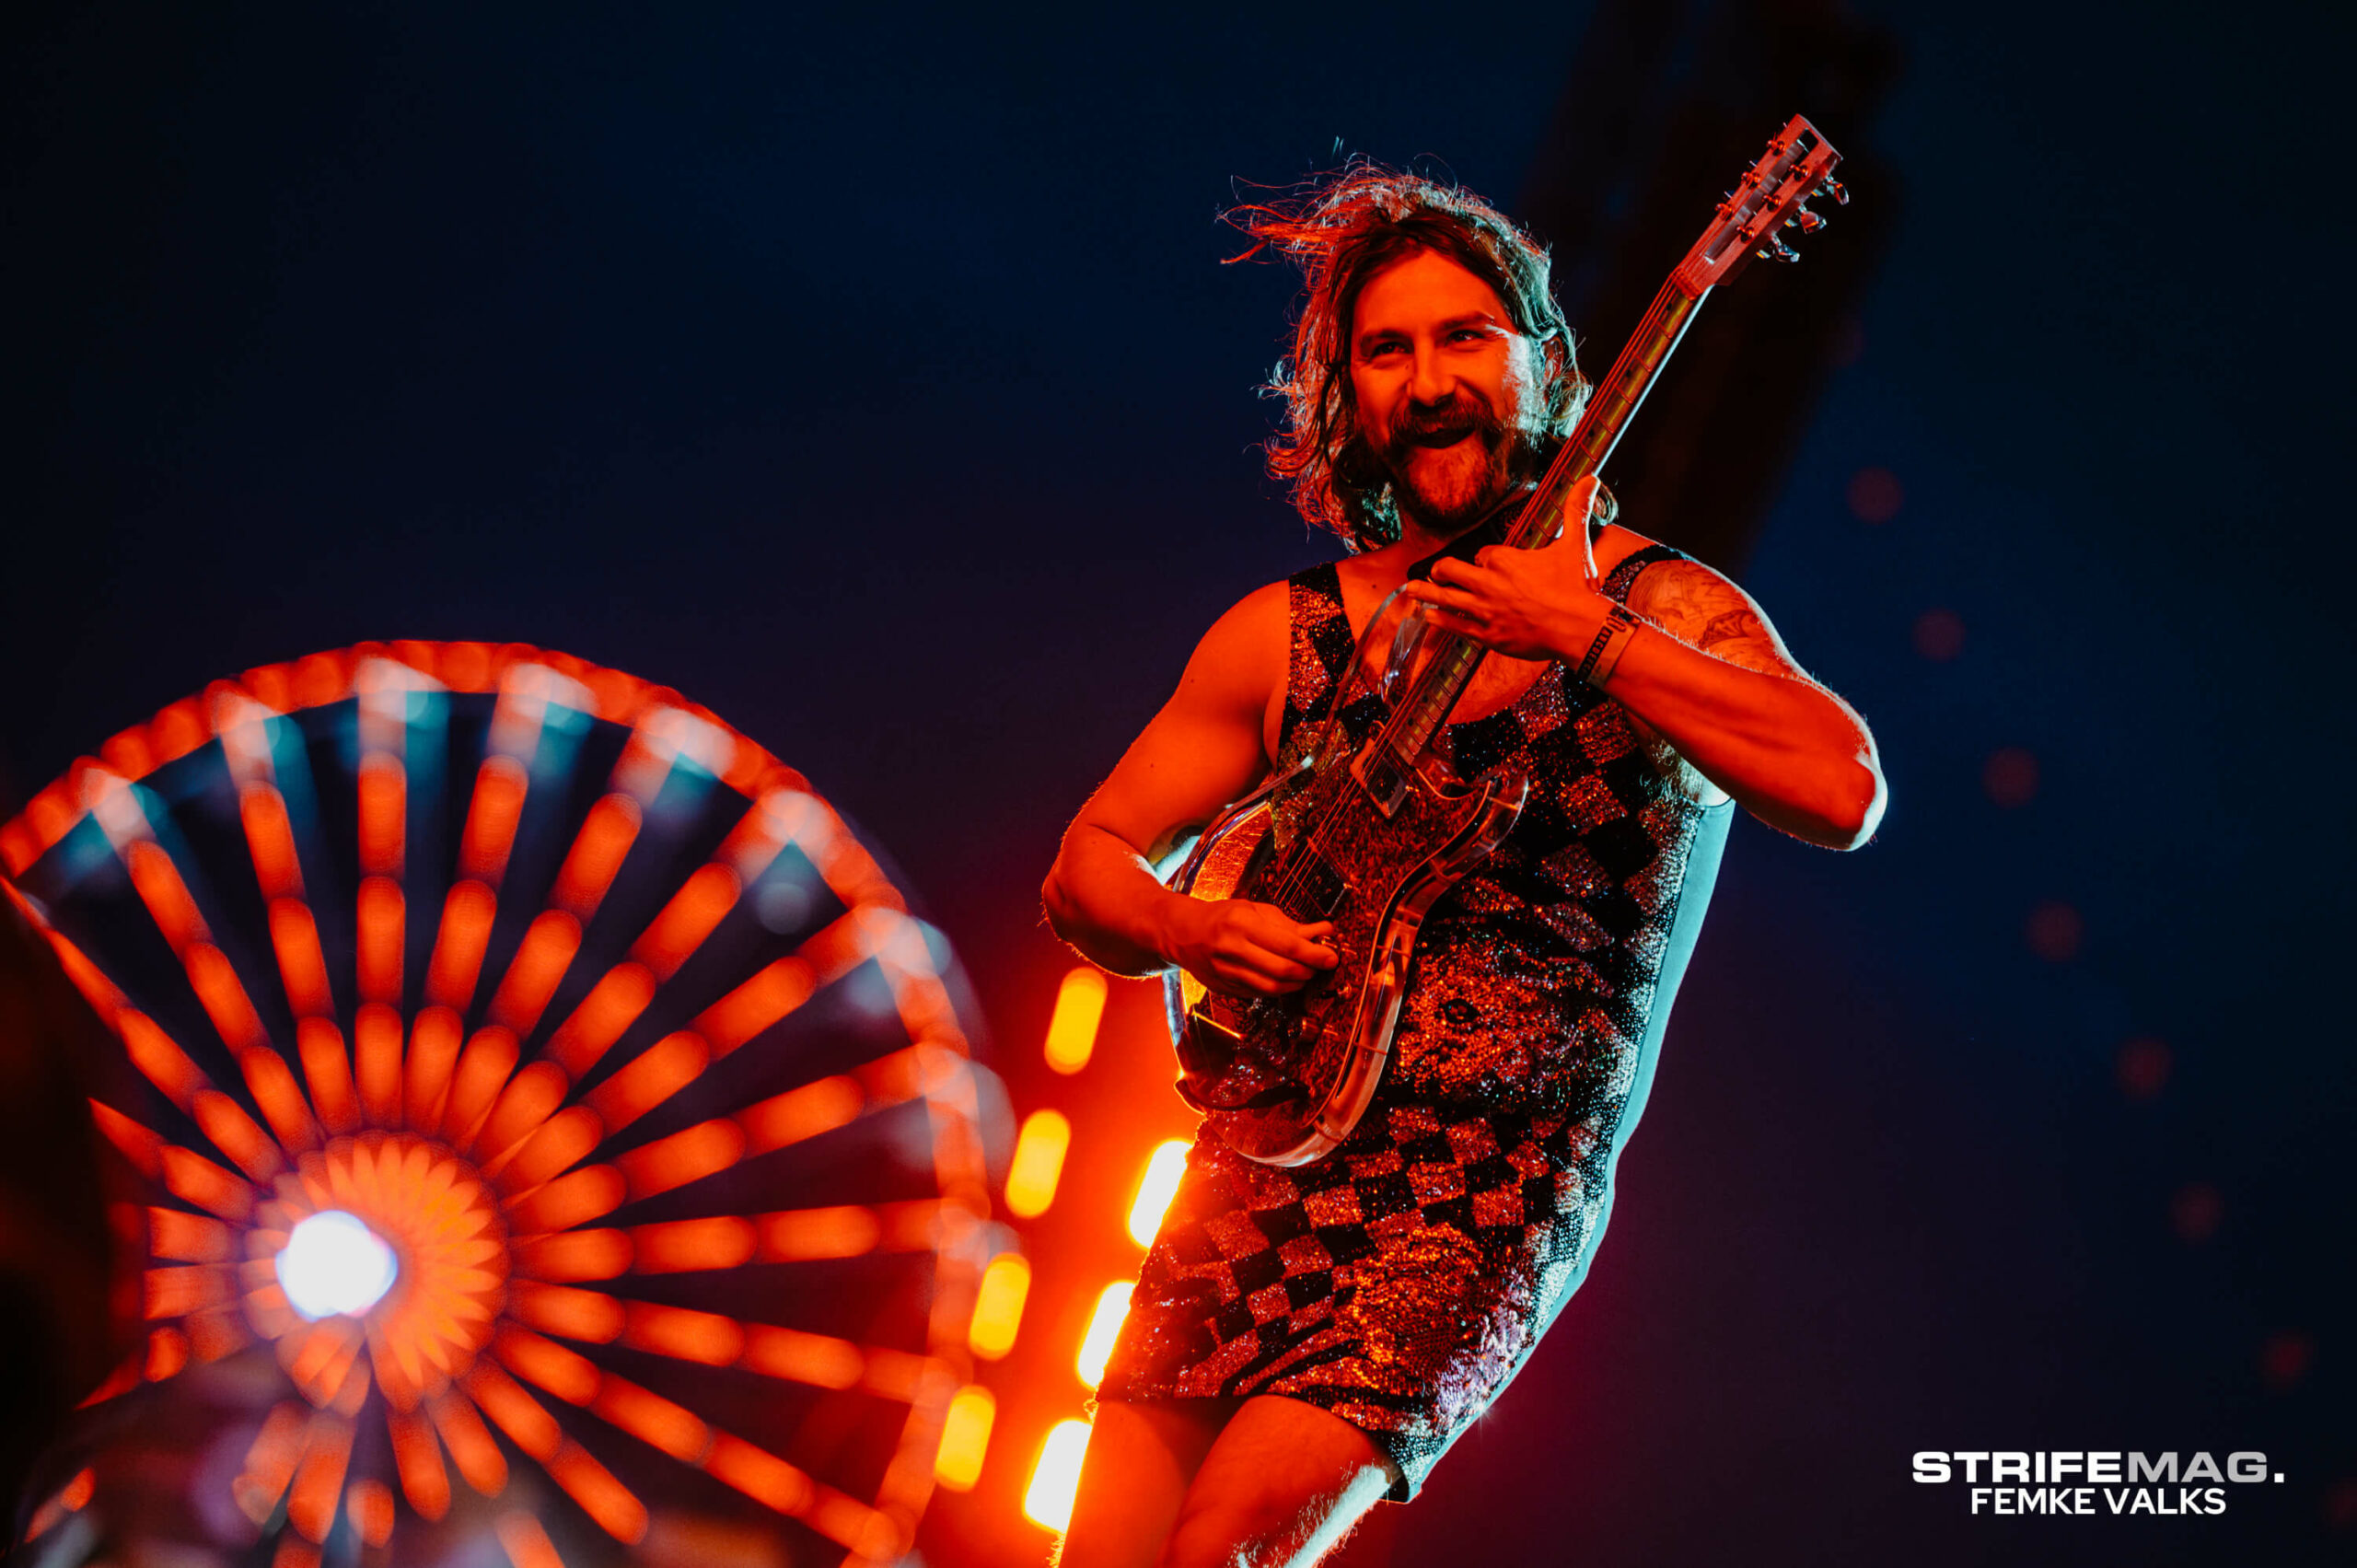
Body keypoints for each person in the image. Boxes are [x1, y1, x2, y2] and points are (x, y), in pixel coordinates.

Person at [1040, 166, 1886, 1568]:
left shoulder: (1661, 603)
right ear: (1347, 399)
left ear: (1549, 367)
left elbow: (1842, 785)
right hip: (1260, 1154)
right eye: (1387, 351)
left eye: (1463, 339)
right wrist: (1187, 929)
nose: (1429, 381)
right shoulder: (1289, 632)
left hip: (1483, 1197)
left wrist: (1589, 636)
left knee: (1223, 1554)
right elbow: (1088, 870)